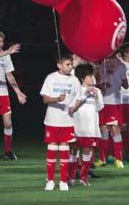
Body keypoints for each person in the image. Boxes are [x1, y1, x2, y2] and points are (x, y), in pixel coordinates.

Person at [40, 54, 81, 191]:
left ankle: (63, 181)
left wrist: (74, 108)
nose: (70, 67)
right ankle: (50, 180)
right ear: (59, 65)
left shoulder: (75, 80)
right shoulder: (50, 78)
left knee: (64, 149)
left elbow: (79, 98)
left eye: (71, 64)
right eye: (67, 64)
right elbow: (45, 99)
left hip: (67, 121)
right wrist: (57, 99)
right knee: (52, 148)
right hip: (52, 119)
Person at [0, 30, 27, 161]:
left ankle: (8, 151)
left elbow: (9, 75)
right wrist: (8, 51)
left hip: (3, 93)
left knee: (8, 123)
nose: (1, 44)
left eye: (3, 41)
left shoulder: (6, 56)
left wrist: (19, 93)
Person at [95, 53, 129, 169]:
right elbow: (97, 83)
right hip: (103, 101)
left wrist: (116, 82)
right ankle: (102, 158)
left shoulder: (121, 65)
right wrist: (102, 85)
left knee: (115, 129)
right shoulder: (102, 64)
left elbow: (126, 85)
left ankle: (118, 159)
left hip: (114, 101)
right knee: (104, 129)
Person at [74, 64, 104, 186]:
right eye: (89, 76)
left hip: (91, 127)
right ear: (82, 78)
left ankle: (83, 177)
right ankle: (70, 176)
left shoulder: (97, 91)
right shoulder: (76, 90)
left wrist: (96, 97)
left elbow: (100, 107)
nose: (92, 78)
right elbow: (72, 106)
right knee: (73, 151)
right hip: (77, 126)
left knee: (87, 151)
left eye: (92, 75)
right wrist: (84, 94)